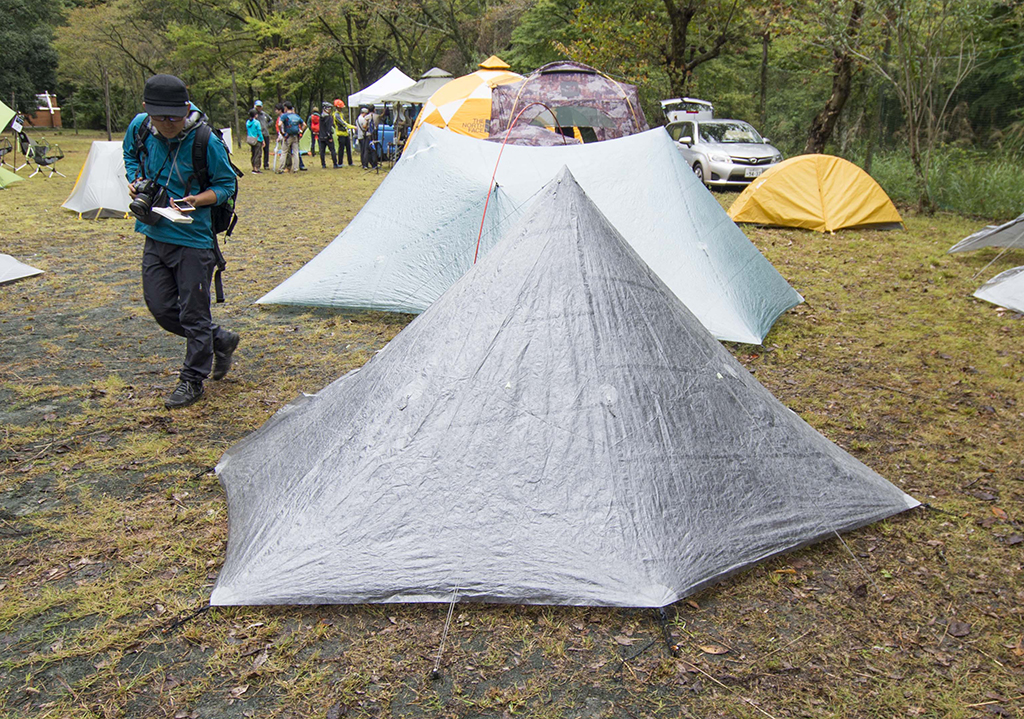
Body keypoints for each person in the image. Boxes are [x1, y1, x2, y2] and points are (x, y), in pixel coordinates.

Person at [122, 74, 240, 409]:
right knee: (161, 308)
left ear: (186, 108)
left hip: (193, 239)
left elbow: (225, 186)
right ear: (147, 110)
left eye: (175, 117)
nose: (168, 124)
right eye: (160, 118)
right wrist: (136, 180)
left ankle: (192, 380)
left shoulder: (205, 140)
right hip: (154, 232)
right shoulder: (140, 127)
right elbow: (130, 154)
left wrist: (197, 200)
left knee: (194, 314)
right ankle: (221, 339)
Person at [278, 101, 306, 174]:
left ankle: (281, 168)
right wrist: (301, 131)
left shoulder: (284, 116)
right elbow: (304, 124)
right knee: (296, 152)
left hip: (287, 136)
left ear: (286, 107)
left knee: (284, 152)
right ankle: (296, 168)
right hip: (295, 136)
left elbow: (279, 124)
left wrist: (282, 133)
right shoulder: (296, 116)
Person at [253, 100, 273, 170]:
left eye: (260, 106)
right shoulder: (254, 114)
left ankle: (266, 164)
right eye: (257, 106)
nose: (259, 108)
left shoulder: (264, 114)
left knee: (266, 150)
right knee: (257, 150)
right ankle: (256, 164)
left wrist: (267, 125)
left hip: (265, 134)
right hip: (257, 134)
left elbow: (271, 120)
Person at [333, 100, 353, 166]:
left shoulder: (341, 114)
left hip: (346, 133)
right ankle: (340, 163)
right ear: (337, 107)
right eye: (340, 107)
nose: (341, 109)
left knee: (348, 149)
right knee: (341, 149)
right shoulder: (336, 115)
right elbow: (343, 123)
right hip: (340, 134)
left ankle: (350, 162)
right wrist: (353, 127)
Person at [318, 102, 338, 168]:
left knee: (322, 151)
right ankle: (335, 164)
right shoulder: (329, 118)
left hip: (321, 136)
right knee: (332, 150)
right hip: (327, 136)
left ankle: (323, 164)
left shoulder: (321, 117)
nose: (330, 110)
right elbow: (328, 128)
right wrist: (329, 137)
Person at [245, 109, 264, 174]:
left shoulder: (248, 122)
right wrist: (262, 140)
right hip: (257, 139)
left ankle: (253, 167)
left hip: (250, 139)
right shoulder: (256, 122)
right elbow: (259, 131)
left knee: (253, 153)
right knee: (258, 154)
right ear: (255, 115)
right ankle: (256, 168)